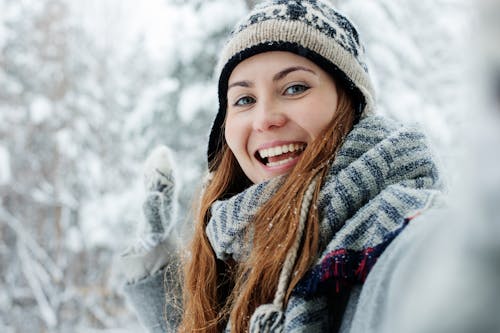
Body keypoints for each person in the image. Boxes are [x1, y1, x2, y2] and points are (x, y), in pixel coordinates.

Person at [118, 1, 442, 332]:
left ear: (350, 102)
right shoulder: (240, 252)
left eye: (295, 88)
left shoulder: (398, 231)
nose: (266, 119)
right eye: (244, 99)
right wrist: (156, 269)